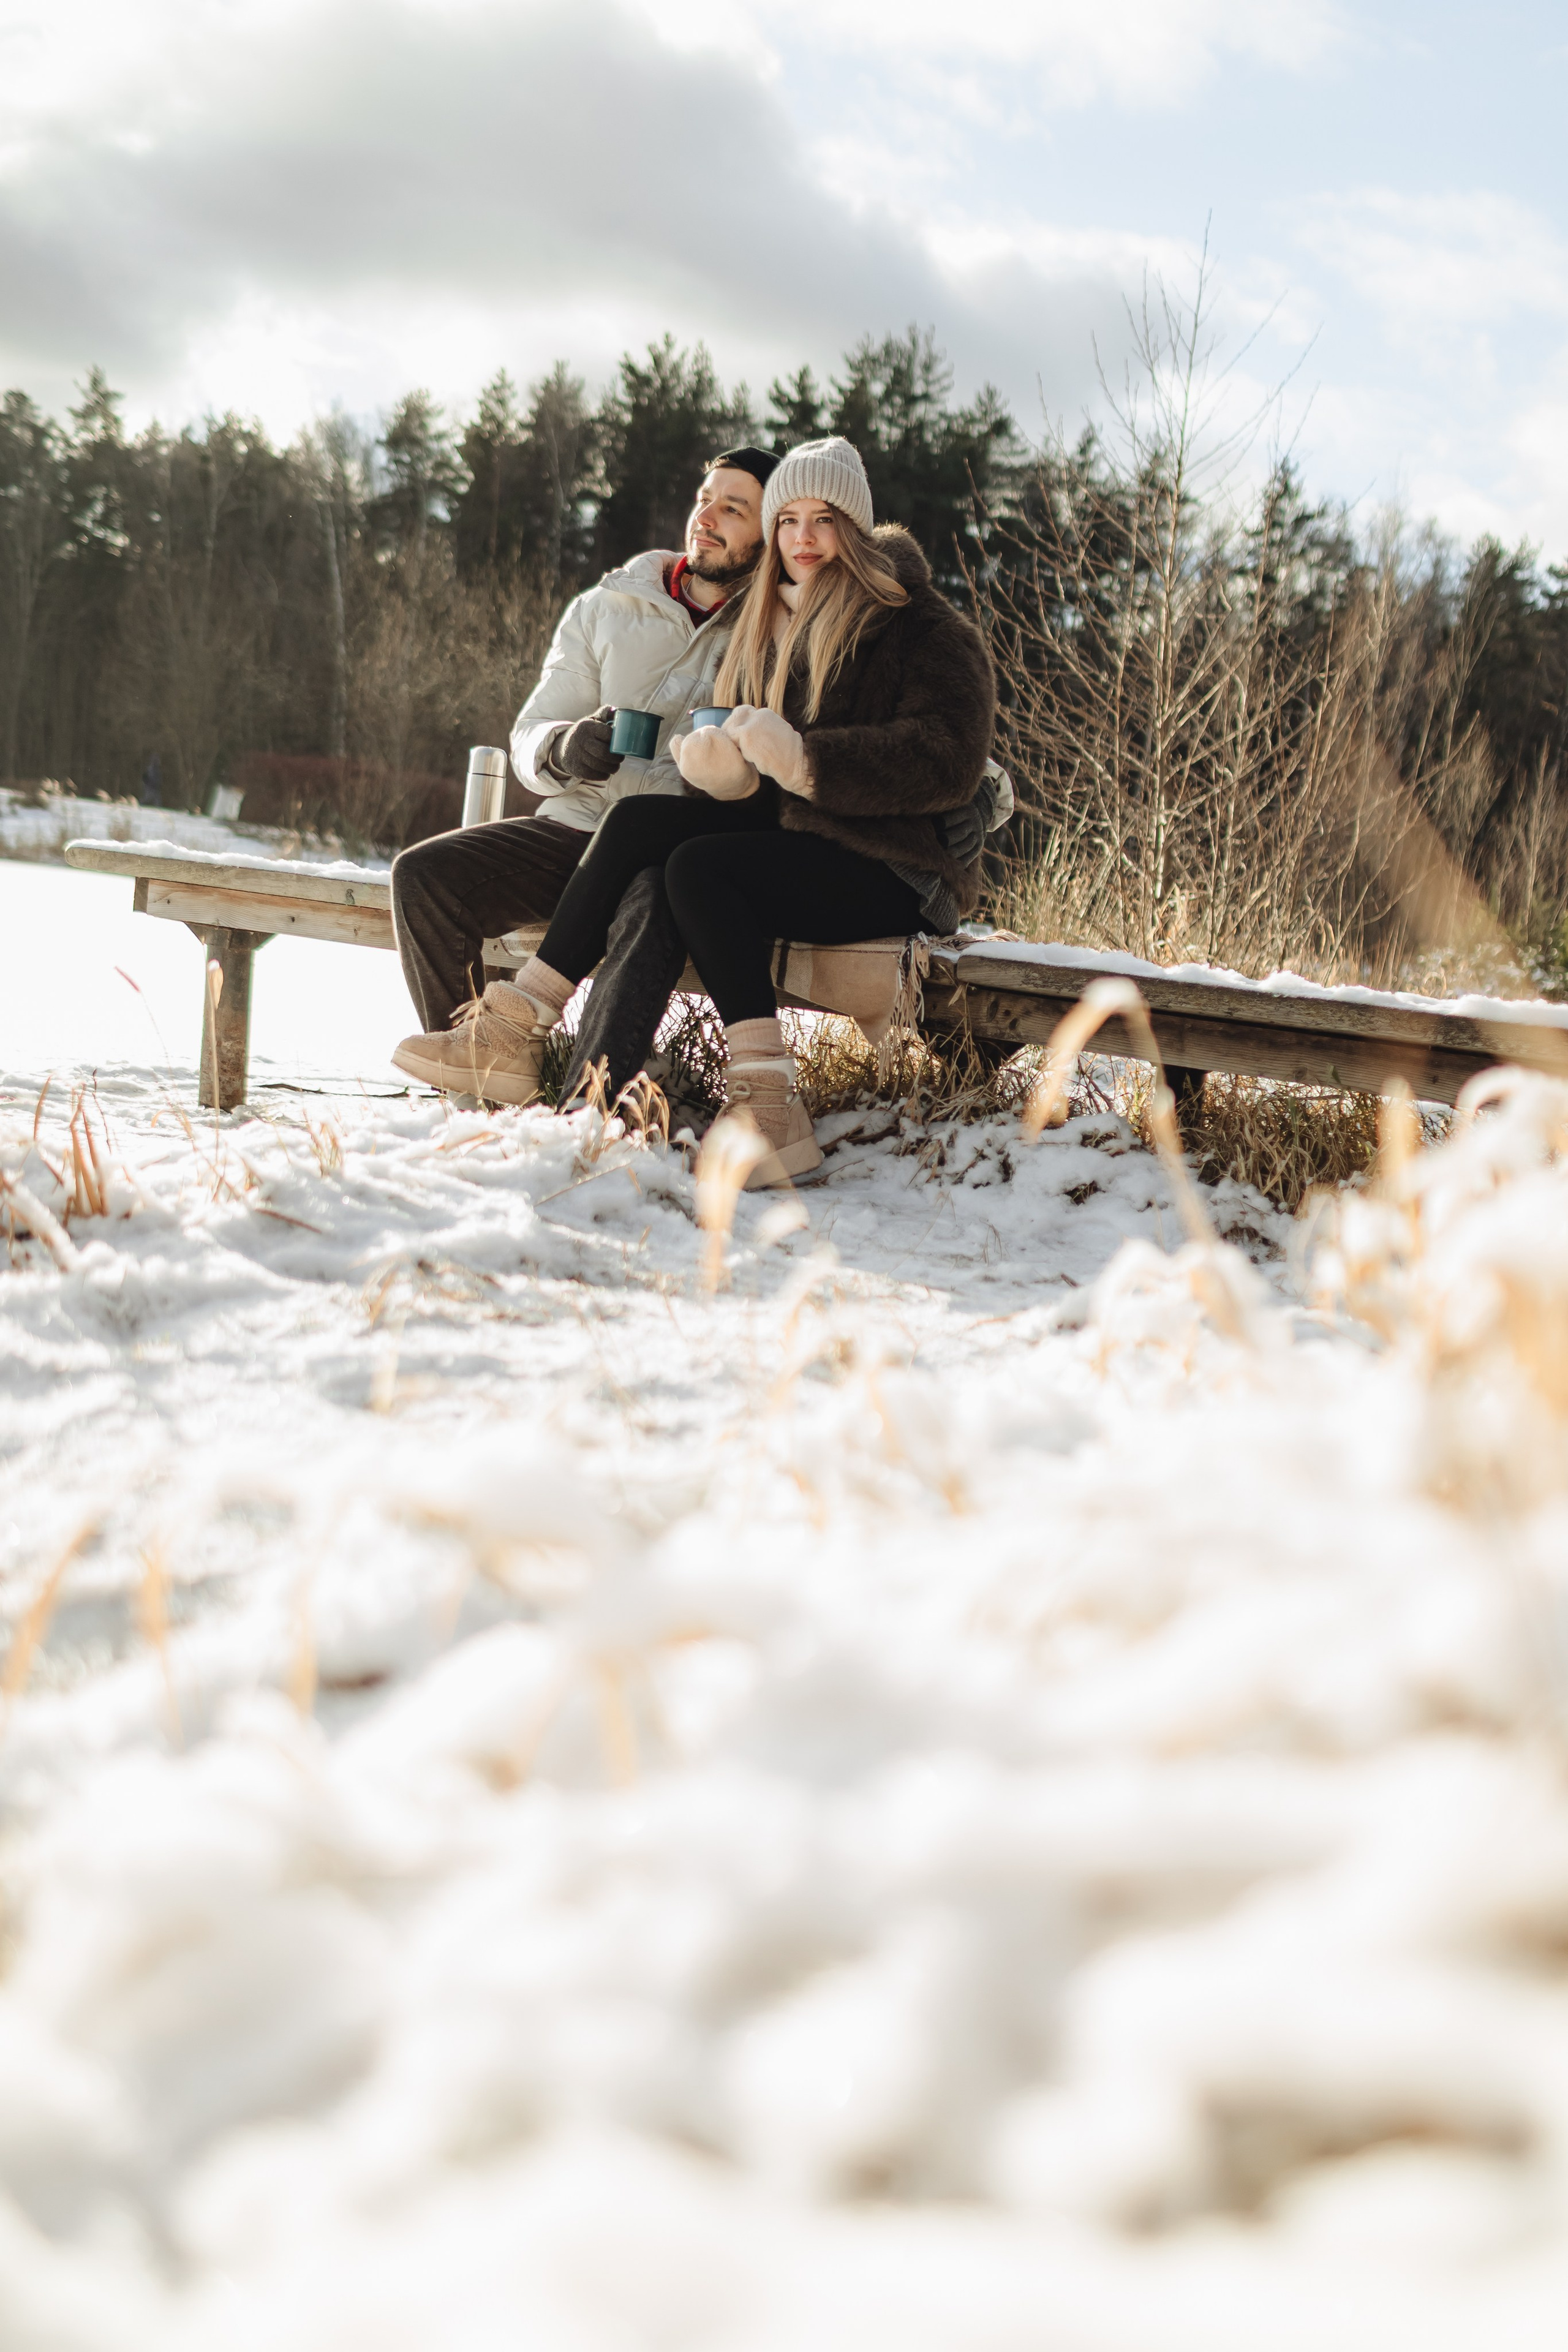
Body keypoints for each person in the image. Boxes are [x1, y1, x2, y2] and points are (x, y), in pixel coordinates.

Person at [402, 436, 997, 1187]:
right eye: (789, 521)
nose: (803, 538)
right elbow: (763, 781)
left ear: (855, 528)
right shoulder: (771, 624)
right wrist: (726, 782)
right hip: (798, 844)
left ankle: (761, 1105)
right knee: (641, 825)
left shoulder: (919, 625)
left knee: (696, 869)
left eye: (823, 519)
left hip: (894, 868)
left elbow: (946, 755)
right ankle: (518, 1029)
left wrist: (808, 762)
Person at [390, 447, 778, 1071]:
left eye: (734, 509)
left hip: (668, 856)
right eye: (705, 499)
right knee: (425, 877)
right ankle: (482, 1072)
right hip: (574, 831)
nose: (707, 517)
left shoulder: (779, 630)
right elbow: (530, 734)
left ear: (770, 535)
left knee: (652, 906)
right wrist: (565, 746)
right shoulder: (607, 607)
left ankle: (588, 1107)